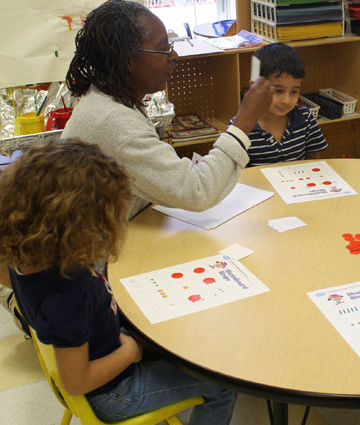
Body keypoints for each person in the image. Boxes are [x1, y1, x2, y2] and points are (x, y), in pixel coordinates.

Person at [0, 139, 236, 424]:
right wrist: (131, 352)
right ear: (76, 226)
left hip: (104, 343)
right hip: (113, 392)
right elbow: (77, 382)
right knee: (222, 384)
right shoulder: (68, 296)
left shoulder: (25, 256)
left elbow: (25, 289)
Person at [61, 0, 274, 219]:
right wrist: (245, 119)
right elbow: (197, 191)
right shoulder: (112, 121)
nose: (174, 56)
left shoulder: (106, 101)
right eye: (163, 49)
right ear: (127, 60)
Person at [230, 43, 328, 167]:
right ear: (255, 87)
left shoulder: (306, 118)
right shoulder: (240, 125)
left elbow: (315, 162)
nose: (286, 100)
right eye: (278, 91)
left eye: (294, 92)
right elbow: (234, 174)